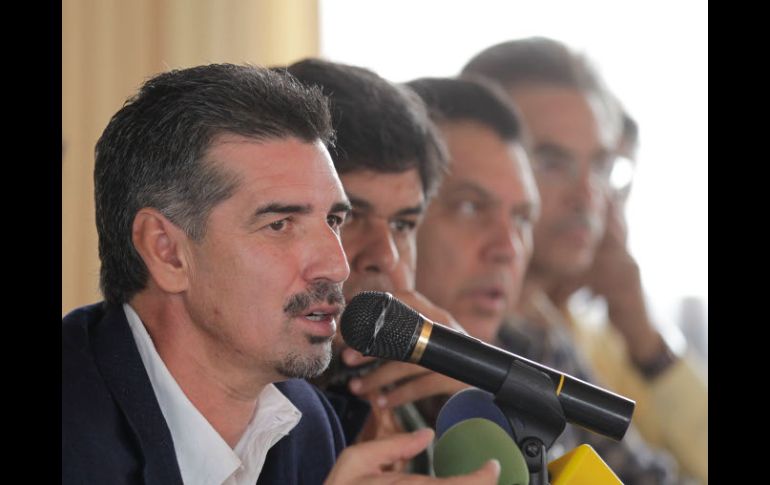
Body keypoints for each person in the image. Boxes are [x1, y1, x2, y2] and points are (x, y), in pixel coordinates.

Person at [61, 63, 500, 484]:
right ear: (167, 252)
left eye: (333, 221)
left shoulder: (303, 419)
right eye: (280, 224)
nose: (338, 265)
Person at [463, 37, 706, 483]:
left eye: (600, 166)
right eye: (552, 162)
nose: (587, 196)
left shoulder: (561, 334)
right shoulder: (460, 336)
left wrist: (644, 338)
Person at [284, 58, 469, 474]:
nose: (385, 256)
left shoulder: (437, 399)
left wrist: (476, 417)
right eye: (346, 217)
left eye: (403, 225)